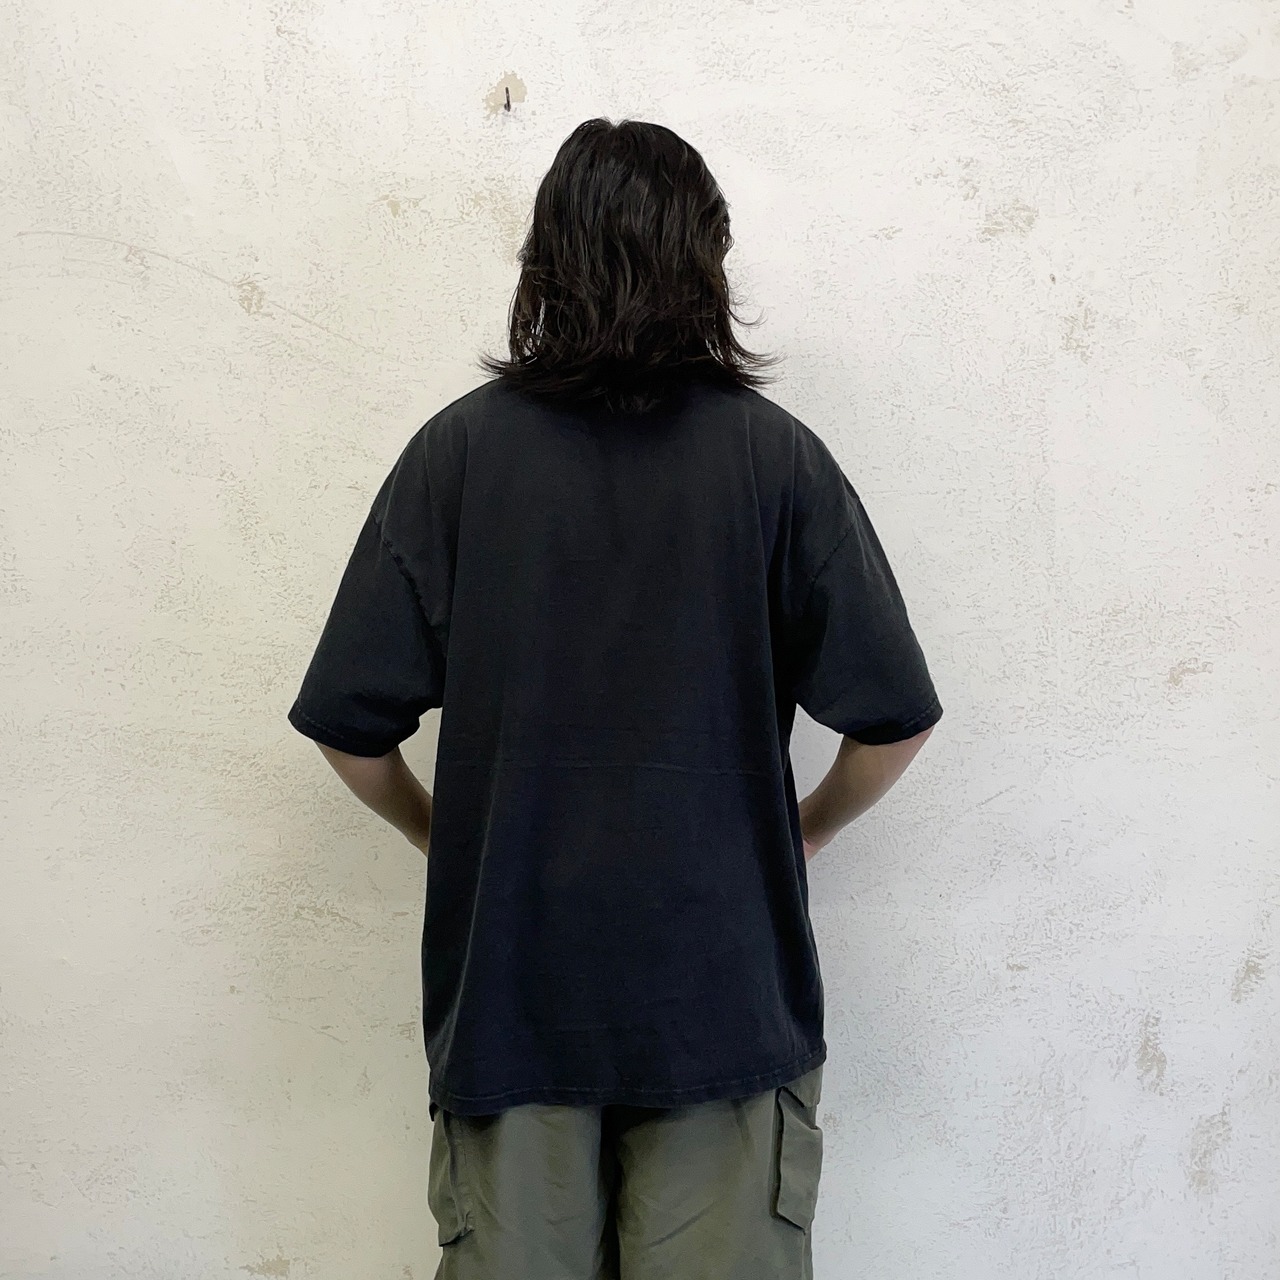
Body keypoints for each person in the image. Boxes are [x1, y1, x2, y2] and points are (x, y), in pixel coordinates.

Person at [286, 117, 942, 1280]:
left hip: (513, 1002)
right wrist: (802, 830)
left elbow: (350, 728)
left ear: (545, 258)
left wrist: (449, 835)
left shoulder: (456, 457)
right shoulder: (777, 462)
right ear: (704, 262)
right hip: (722, 1003)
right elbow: (892, 718)